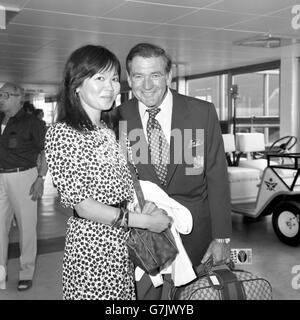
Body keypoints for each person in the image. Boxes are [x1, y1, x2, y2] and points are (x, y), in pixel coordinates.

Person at [44, 44, 172, 300]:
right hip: (92, 251)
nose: (110, 86)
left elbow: (119, 189)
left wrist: (140, 209)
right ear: (76, 85)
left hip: (120, 247)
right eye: (99, 77)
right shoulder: (63, 134)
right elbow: (85, 207)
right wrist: (146, 222)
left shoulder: (109, 131)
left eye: (114, 78)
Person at [113, 43, 232, 300]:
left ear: (168, 76)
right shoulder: (117, 119)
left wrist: (221, 237)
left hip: (195, 236)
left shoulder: (201, 113)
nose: (147, 85)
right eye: (138, 76)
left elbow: (217, 176)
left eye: (155, 75)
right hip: (143, 240)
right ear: (129, 79)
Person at [0, 82, 47, 291]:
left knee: (27, 228)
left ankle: (26, 272)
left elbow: (46, 151)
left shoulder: (32, 123)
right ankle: (0, 273)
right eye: (0, 94)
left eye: (6, 95)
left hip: (24, 177)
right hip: (0, 178)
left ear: (20, 97)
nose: (1, 98)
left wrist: (40, 178)